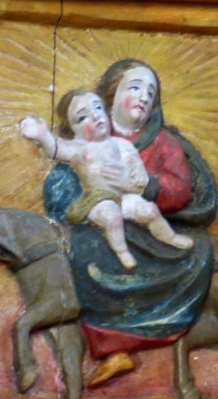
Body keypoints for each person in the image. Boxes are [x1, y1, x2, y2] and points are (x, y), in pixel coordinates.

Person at [43, 60, 217, 388]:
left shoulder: (164, 142)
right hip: (103, 224)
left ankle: (154, 326)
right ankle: (111, 348)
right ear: (110, 96)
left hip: (150, 226)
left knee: (193, 251)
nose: (144, 96)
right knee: (84, 251)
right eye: (134, 87)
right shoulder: (86, 141)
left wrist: (146, 184)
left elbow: (181, 189)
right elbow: (60, 182)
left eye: (151, 92)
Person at [22, 89, 193, 269]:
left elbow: (136, 167)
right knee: (112, 216)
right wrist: (43, 135)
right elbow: (55, 149)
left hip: (125, 196)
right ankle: (122, 253)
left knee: (149, 210)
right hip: (97, 199)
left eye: (98, 108)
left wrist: (138, 176)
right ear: (73, 130)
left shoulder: (122, 144)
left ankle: (170, 237)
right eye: (83, 117)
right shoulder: (79, 148)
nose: (95, 116)